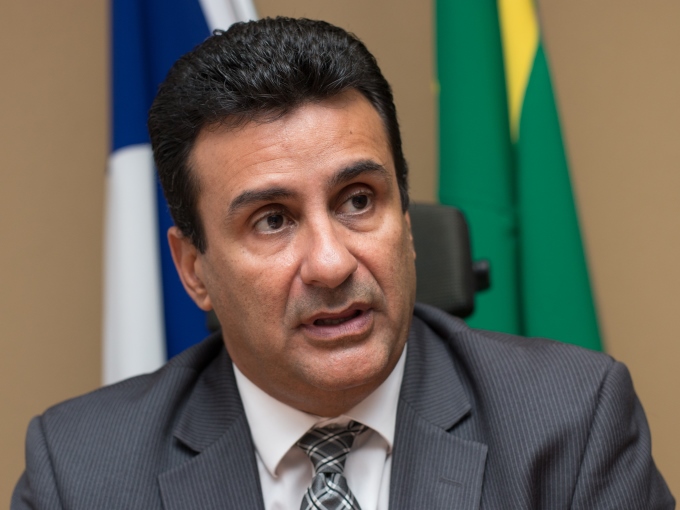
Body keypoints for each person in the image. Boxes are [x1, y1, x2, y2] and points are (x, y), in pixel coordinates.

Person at [12, 17, 674, 510]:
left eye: (358, 200)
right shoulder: (82, 473)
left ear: (406, 223)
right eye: (272, 220)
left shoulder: (570, 424)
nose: (331, 265)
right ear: (193, 270)